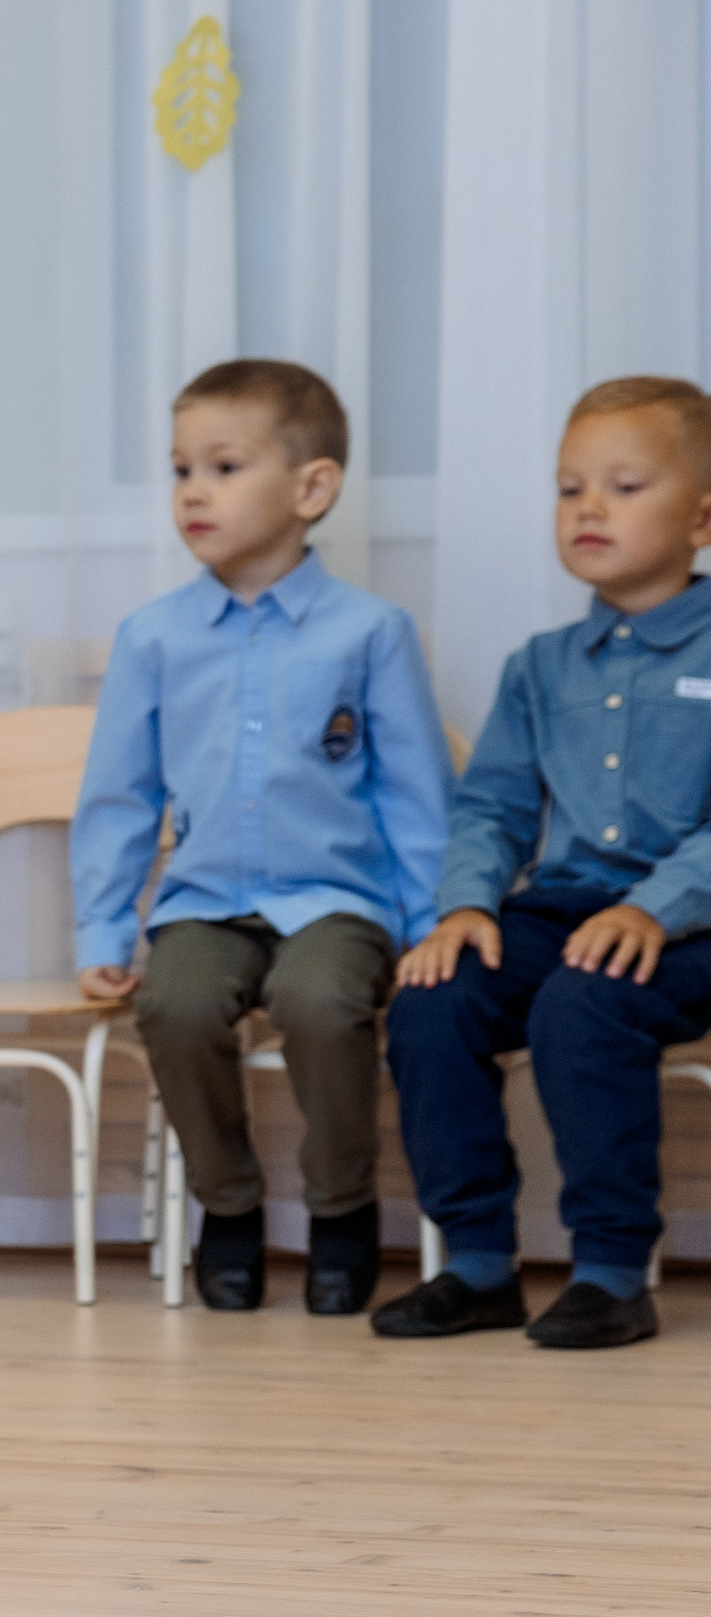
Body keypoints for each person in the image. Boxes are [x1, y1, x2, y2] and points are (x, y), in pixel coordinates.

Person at [74, 360, 450, 1315]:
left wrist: (427, 923)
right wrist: (106, 934)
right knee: (179, 1004)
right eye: (181, 468)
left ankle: (342, 1209)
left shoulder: (373, 631)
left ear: (312, 487)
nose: (194, 490)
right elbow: (118, 798)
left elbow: (416, 795)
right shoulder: (153, 637)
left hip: (340, 900)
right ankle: (228, 1207)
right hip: (205, 899)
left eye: (225, 465)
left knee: (321, 1001)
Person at [374, 376, 711, 1350]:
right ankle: (477, 1266)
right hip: (561, 908)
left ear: (700, 517)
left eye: (623, 486)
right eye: (569, 489)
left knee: (582, 998)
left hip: (688, 923)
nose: (588, 508)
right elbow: (490, 807)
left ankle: (611, 1272)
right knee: (432, 1001)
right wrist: (465, 906)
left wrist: (657, 906)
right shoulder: (539, 665)